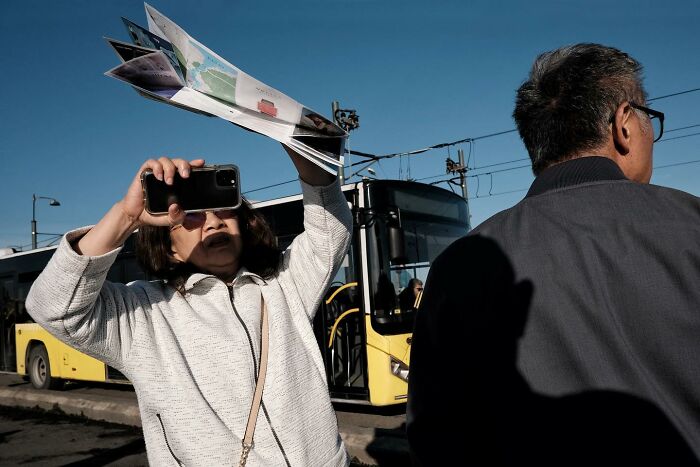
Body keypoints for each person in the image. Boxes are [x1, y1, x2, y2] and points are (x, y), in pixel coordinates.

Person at [407, 43, 700, 466]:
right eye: (648, 118)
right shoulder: (691, 225)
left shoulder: (457, 266)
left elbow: (435, 441)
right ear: (624, 124)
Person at [26, 146, 352, 466]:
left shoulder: (286, 285)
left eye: (224, 208)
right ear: (170, 250)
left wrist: (296, 141)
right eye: (191, 216)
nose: (212, 223)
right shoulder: (146, 313)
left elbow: (330, 229)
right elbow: (53, 306)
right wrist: (126, 217)